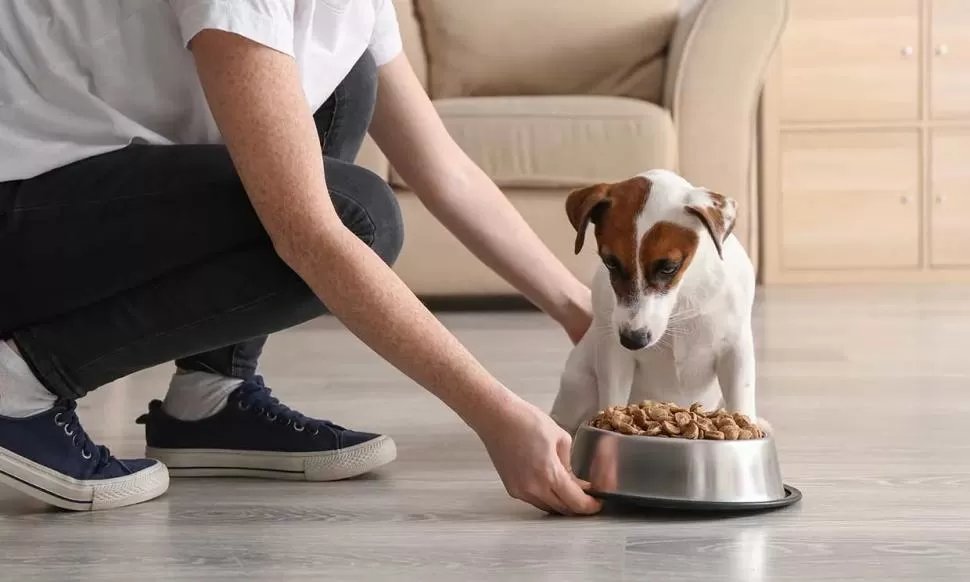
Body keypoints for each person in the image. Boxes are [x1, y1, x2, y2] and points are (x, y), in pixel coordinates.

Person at [0, 1, 601, 516]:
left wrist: (581, 312)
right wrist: (496, 416)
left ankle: (210, 397)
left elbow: (445, 171)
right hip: (19, 202)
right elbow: (308, 234)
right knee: (361, 218)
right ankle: (16, 388)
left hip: (74, 188)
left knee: (348, 76)